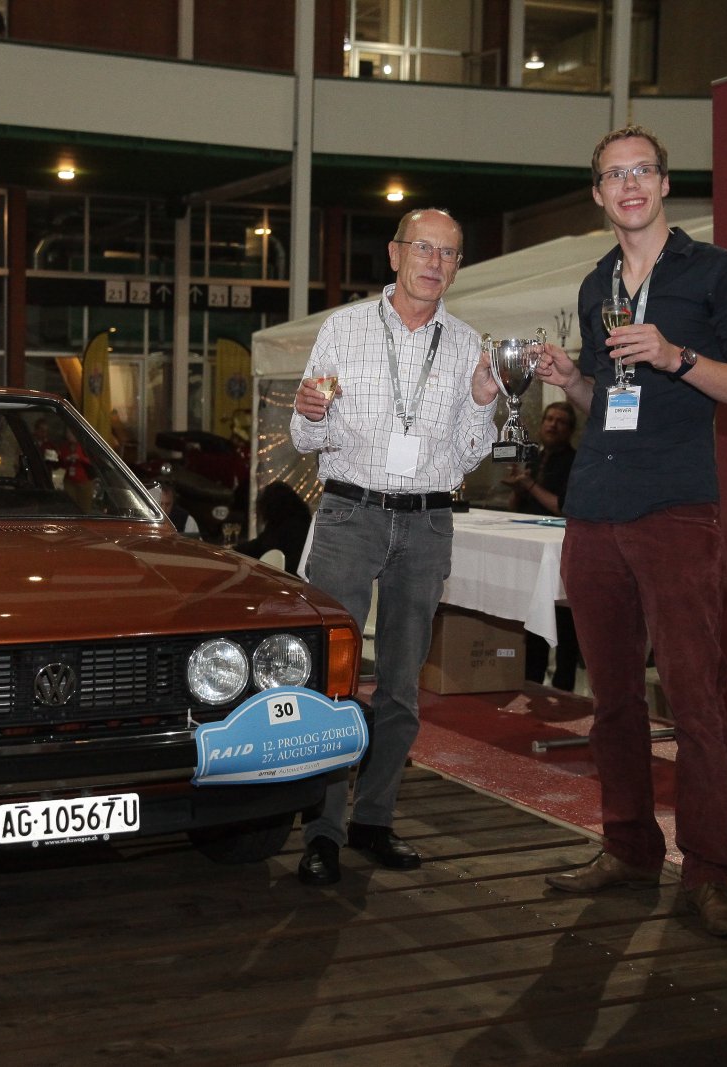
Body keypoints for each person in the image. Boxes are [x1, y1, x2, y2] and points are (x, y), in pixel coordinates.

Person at [533, 125, 727, 937]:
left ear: (665, 184)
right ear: (598, 195)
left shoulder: (720, 273)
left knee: (694, 699)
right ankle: (629, 847)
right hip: (594, 505)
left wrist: (676, 355)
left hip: (675, 508)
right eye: (614, 175)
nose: (629, 184)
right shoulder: (596, 283)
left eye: (642, 170)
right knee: (611, 700)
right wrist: (573, 378)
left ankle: (710, 873)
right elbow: (608, 401)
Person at [291, 207, 500, 886]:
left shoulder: (467, 344)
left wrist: (480, 400)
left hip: (428, 520)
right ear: (394, 253)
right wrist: (308, 412)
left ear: (457, 267)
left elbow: (468, 454)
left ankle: (374, 820)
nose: (435, 262)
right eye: (424, 248)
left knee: (402, 685)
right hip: (350, 514)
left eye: (449, 253)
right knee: (332, 678)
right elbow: (304, 436)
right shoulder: (344, 328)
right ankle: (322, 829)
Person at [500, 401, 581, 691]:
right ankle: (531, 685)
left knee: (564, 625)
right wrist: (518, 487)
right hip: (532, 549)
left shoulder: (575, 461)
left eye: (560, 421)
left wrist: (530, 486)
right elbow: (516, 506)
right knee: (533, 620)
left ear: (570, 429)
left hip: (560, 550)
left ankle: (563, 690)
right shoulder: (534, 457)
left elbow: (564, 507)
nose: (552, 425)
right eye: (549, 419)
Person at [234, 481, 313, 574]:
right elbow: (260, 543)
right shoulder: (283, 520)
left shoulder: (293, 525)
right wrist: (234, 550)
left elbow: (266, 547)